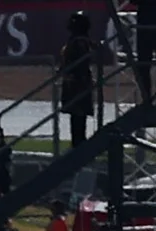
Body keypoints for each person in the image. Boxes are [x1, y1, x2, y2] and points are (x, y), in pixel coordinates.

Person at [58, 12, 101, 148]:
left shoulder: (79, 42)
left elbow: (79, 63)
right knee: (76, 117)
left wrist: (71, 75)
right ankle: (77, 143)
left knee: (78, 116)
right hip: (77, 82)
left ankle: (79, 144)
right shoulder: (79, 40)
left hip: (77, 84)